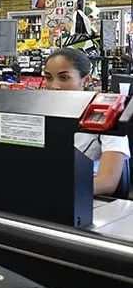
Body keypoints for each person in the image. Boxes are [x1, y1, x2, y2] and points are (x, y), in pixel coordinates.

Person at [43, 47, 130, 196]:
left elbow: (108, 182)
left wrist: (58, 191)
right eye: (49, 78)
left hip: (87, 199)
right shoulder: (41, 111)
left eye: (64, 78)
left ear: (86, 80)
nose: (54, 86)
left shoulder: (104, 114)